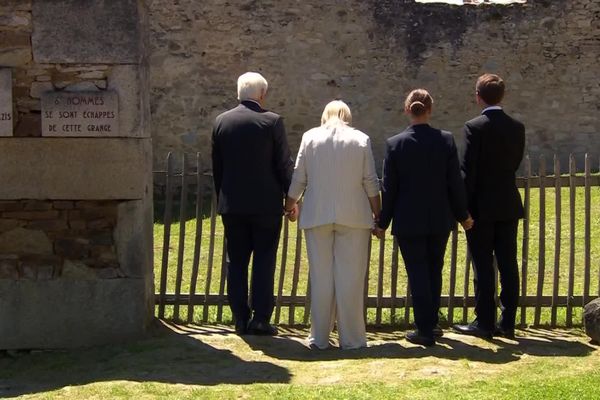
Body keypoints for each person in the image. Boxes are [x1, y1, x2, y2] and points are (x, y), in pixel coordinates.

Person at [374, 89, 472, 347]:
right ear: (430, 110)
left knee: (417, 271)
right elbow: (455, 183)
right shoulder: (446, 140)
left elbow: (390, 188)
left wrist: (383, 222)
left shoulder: (395, 144)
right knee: (434, 269)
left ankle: (424, 327)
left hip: (408, 218)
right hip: (439, 217)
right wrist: (463, 215)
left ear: (407, 110)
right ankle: (432, 322)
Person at [284, 100, 380, 350]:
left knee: (321, 276)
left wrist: (289, 205)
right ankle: (353, 339)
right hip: (354, 215)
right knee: (351, 277)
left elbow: (299, 177)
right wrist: (377, 213)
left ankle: (320, 337)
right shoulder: (360, 139)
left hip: (317, 214)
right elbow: (370, 181)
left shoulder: (310, 137)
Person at [211, 72, 295, 336]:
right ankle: (260, 317)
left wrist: (222, 198)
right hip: (265, 204)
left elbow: (218, 168)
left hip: (232, 204)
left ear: (239, 93)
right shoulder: (272, 122)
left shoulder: (221, 122)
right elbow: (283, 164)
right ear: (262, 94)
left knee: (235, 261)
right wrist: (290, 198)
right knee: (264, 259)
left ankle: (239, 317)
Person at [453, 74, 525, 340]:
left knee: (482, 264)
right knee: (508, 263)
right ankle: (507, 322)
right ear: (502, 95)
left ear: (478, 96)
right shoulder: (517, 127)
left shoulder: (474, 127)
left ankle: (484, 321)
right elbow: (514, 163)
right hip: (507, 202)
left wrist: (464, 208)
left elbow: (467, 171)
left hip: (481, 207)